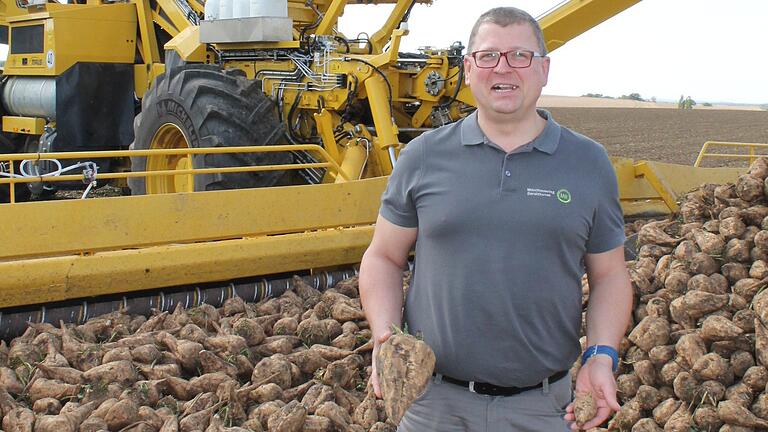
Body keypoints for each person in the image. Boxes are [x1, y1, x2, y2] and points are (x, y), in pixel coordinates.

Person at [359, 6, 633, 432]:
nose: (503, 67)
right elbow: (383, 258)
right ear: (469, 70)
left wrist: (601, 355)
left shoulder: (588, 163)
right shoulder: (422, 157)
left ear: (544, 69)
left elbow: (611, 275)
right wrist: (384, 339)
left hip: (543, 407)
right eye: (488, 56)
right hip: (432, 405)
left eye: (520, 56)